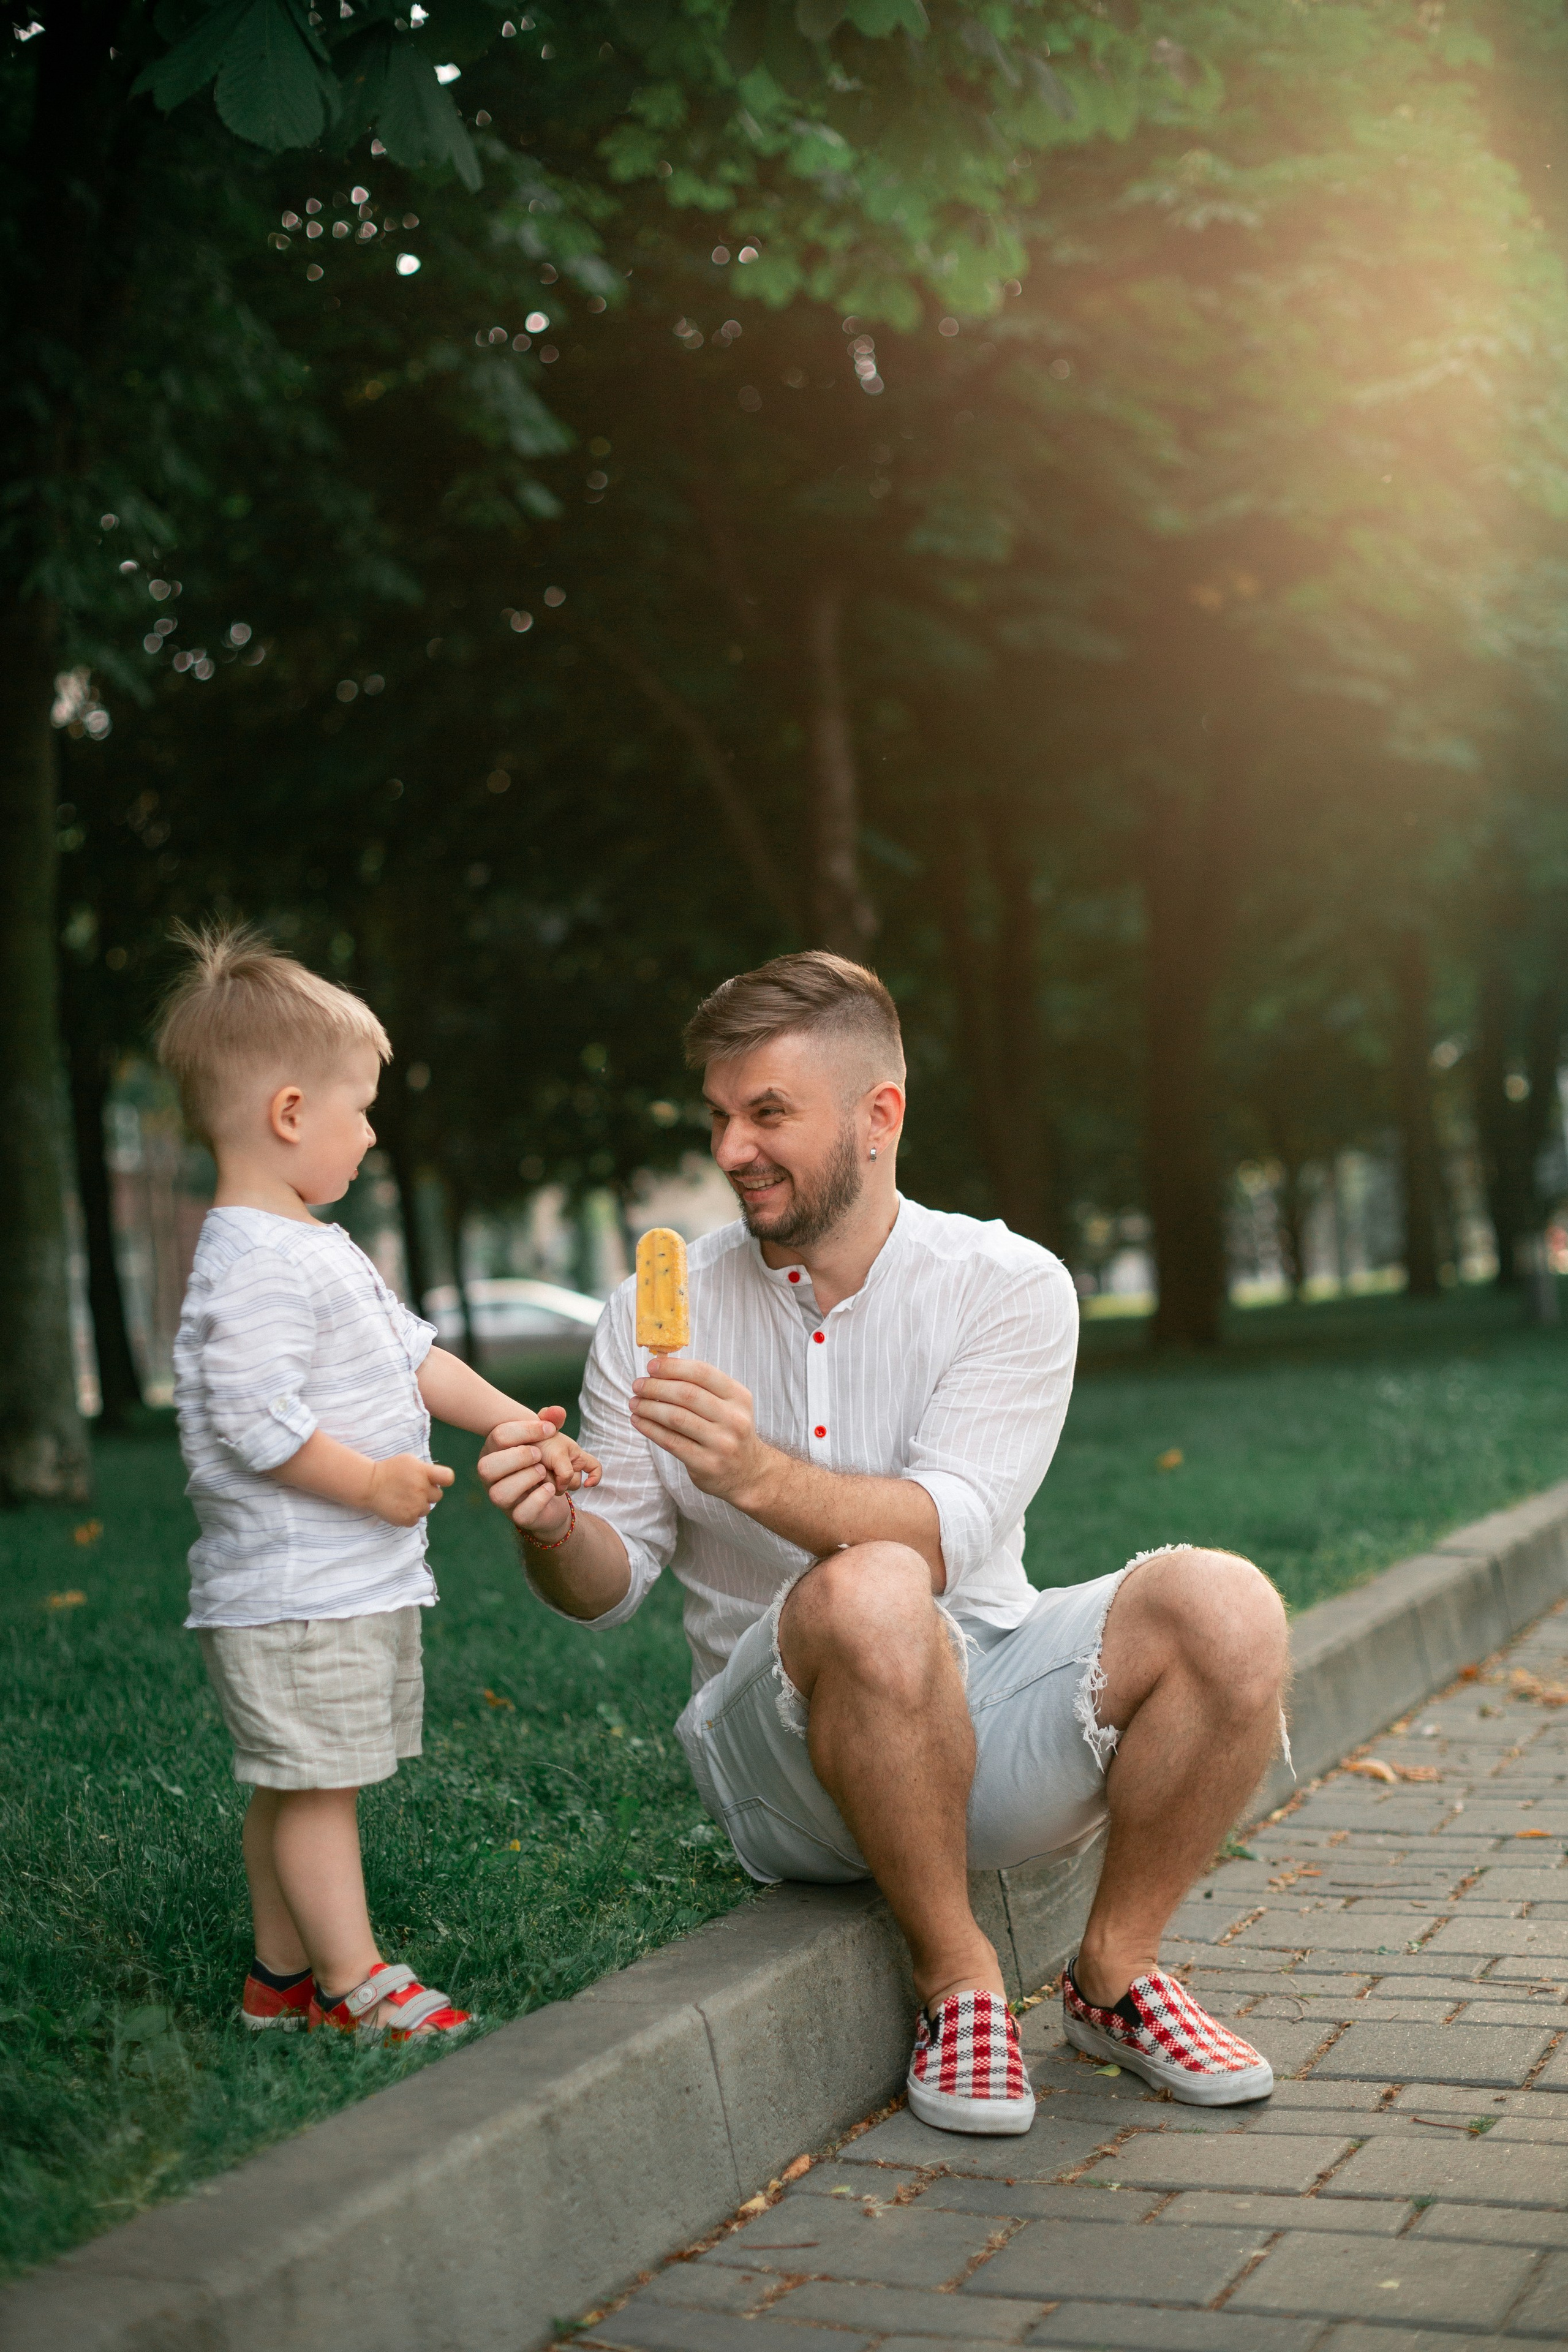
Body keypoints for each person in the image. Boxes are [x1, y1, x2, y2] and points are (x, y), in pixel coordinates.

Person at [480, 951, 1289, 2133]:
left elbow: (946, 1535)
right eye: (718, 1116)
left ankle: (1115, 1973)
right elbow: (605, 1587)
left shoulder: (1008, 1285)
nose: (731, 1150)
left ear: (879, 1116)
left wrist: (750, 1470)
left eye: (767, 1114)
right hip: (781, 1766)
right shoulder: (654, 1315)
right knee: (865, 1591)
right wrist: (555, 1526)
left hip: (983, 1710)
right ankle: (958, 1983)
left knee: (1228, 1603)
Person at [160, 925, 597, 2043]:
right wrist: (368, 1484)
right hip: (299, 1582)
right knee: (316, 1790)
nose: (369, 1135)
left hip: (330, 1582)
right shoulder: (253, 1261)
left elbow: (412, 1354)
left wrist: (514, 1418)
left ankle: (279, 1984)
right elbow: (253, 1417)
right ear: (290, 1114)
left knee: (293, 1778)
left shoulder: (309, 1243)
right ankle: (356, 1984)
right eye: (359, 1110)